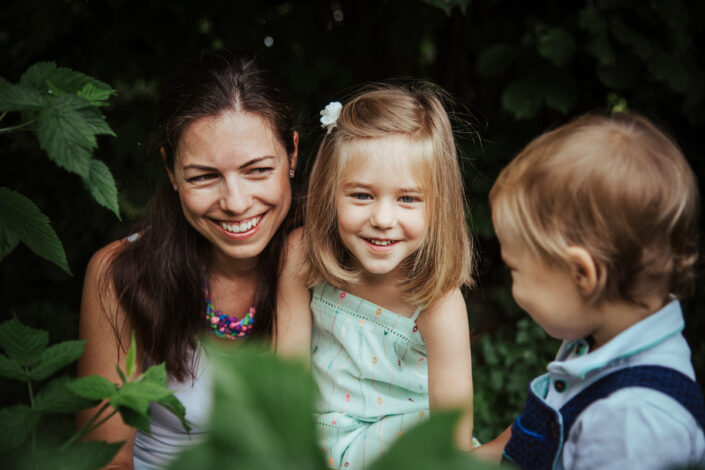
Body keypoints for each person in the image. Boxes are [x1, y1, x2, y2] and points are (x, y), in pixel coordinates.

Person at [76, 49, 299, 469]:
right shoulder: (122, 274)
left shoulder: (332, 263)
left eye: (257, 171)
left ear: (293, 155)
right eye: (204, 176)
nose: (235, 203)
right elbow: (104, 460)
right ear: (171, 170)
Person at [477, 112, 705, 469]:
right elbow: (541, 427)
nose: (515, 290)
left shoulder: (633, 424)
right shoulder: (599, 339)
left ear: (582, 274)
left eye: (516, 270)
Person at [276, 83, 476, 469]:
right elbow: (288, 382)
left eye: (408, 198)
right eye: (361, 195)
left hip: (399, 447)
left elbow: (451, 438)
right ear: (329, 194)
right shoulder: (300, 256)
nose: (383, 220)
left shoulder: (439, 302)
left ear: (438, 205)